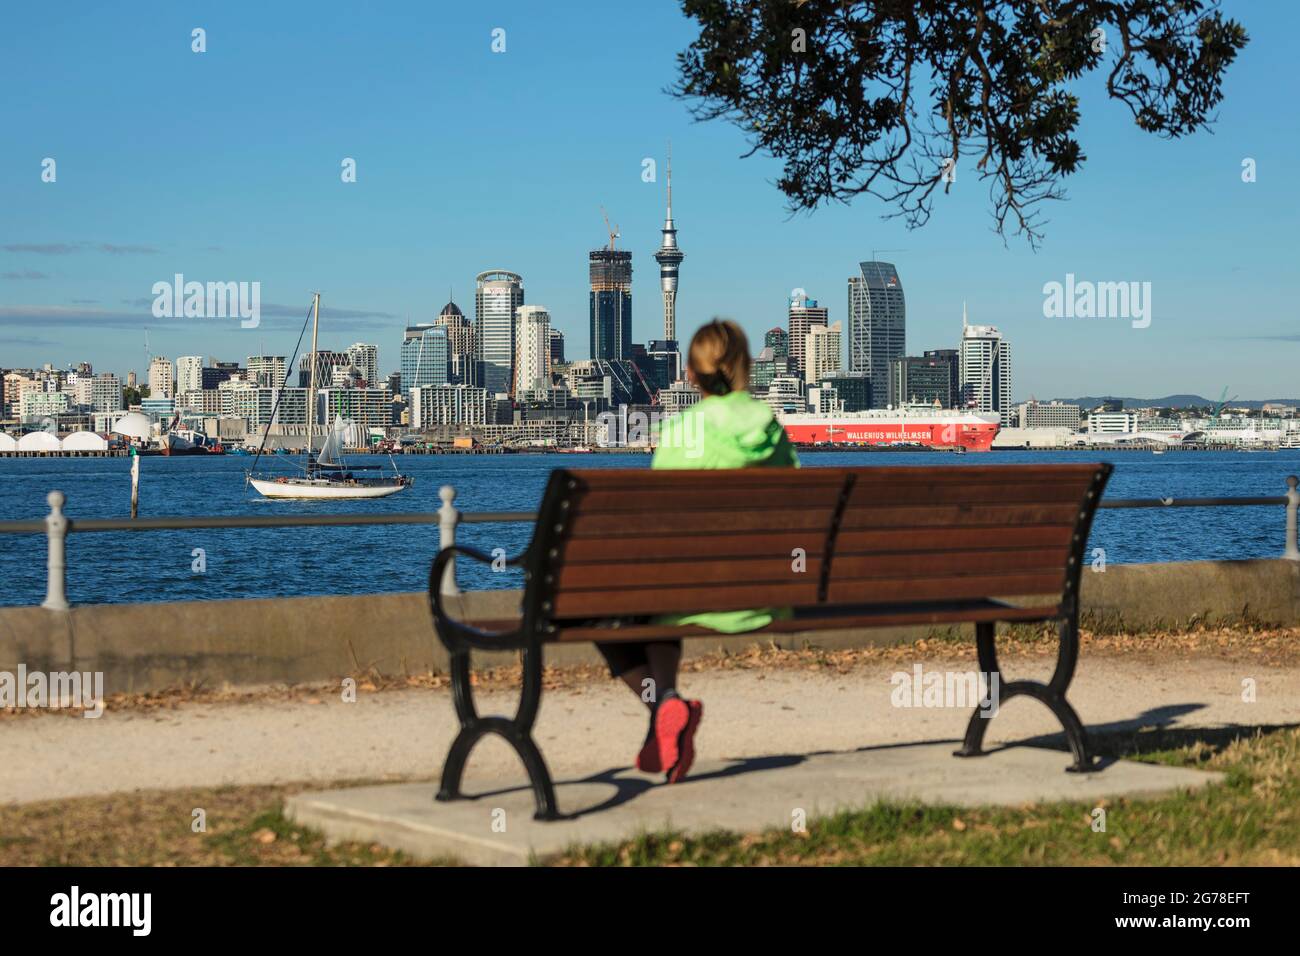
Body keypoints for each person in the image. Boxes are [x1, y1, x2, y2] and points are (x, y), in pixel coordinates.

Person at [595, 319, 799, 784]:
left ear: (690, 374)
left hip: (688, 593)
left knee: (608, 606)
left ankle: (664, 704)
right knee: (667, 584)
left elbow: (658, 526)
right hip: (765, 594)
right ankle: (666, 713)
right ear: (746, 367)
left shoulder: (681, 431)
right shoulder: (770, 426)